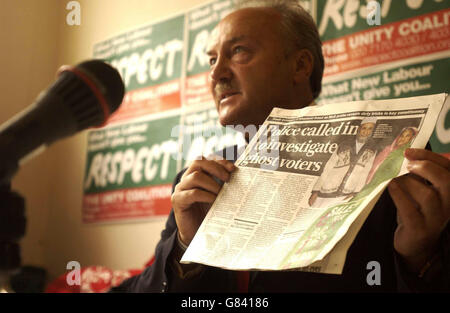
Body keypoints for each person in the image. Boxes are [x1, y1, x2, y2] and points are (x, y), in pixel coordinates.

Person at [111, 0, 450, 292]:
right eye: (211, 60)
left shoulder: (394, 160)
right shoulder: (196, 185)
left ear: (300, 65)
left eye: (238, 51)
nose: (216, 75)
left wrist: (421, 258)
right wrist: (185, 247)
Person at [308, 117, 378, 208]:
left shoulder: (372, 148)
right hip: (327, 190)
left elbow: (366, 171)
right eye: (364, 128)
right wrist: (316, 191)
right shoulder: (344, 144)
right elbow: (329, 167)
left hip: (346, 194)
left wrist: (355, 192)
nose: (366, 132)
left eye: (370, 129)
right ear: (359, 129)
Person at [351, 127, 419, 202]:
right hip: (368, 187)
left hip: (385, 193)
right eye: (402, 135)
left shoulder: (406, 153)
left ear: (412, 138)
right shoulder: (387, 149)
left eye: (407, 136)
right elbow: (372, 170)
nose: (402, 139)